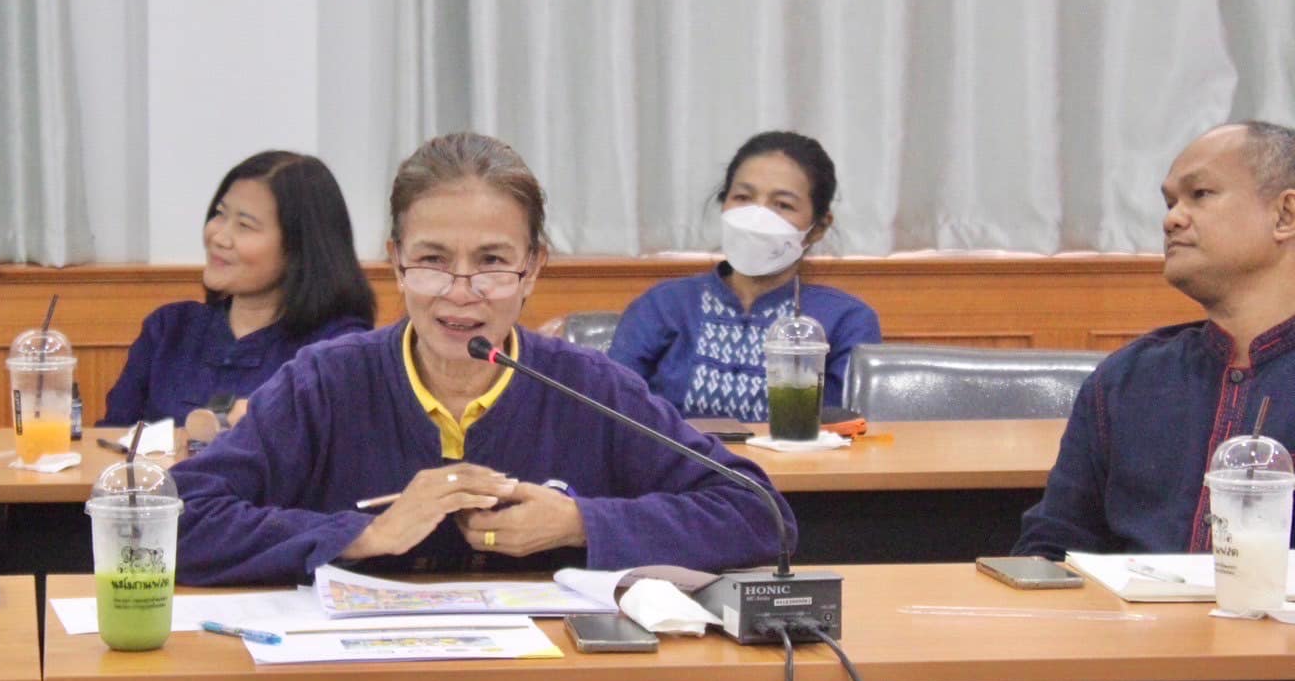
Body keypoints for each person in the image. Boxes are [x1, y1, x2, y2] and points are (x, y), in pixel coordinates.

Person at [172, 132, 793, 584]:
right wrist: (361, 534)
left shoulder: (589, 387)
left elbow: (759, 513)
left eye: (493, 262)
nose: (461, 292)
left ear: (533, 268)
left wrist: (580, 522)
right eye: (433, 260)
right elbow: (176, 519)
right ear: (395, 262)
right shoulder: (327, 382)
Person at [1016, 121, 1295, 558]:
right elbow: (1053, 545)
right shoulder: (1128, 378)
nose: (1171, 219)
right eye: (1169, 202)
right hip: (1133, 624)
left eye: (1199, 195)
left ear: (1285, 215)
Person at [608, 131, 881, 421]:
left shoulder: (847, 320)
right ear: (724, 205)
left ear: (818, 227)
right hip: (672, 464)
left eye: (783, 205)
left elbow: (845, 430)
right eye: (743, 198)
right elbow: (612, 404)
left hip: (795, 467)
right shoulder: (663, 305)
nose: (757, 218)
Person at [101, 150, 375, 426]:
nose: (219, 237)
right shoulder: (169, 329)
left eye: (245, 225)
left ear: (300, 247)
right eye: (220, 214)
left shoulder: (338, 348)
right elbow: (110, 440)